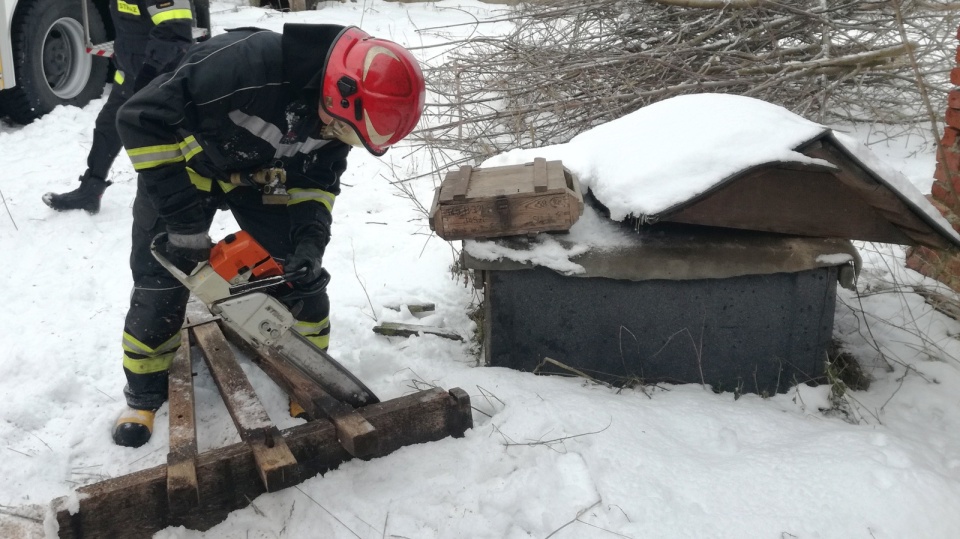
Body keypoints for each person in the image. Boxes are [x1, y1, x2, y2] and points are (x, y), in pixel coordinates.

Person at [110, 23, 426, 447]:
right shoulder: (242, 65)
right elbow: (139, 118)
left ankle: (308, 373)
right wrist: (184, 222)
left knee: (298, 276)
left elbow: (317, 183)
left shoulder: (341, 119)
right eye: (345, 130)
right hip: (181, 172)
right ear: (337, 90)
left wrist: (310, 242)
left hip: (259, 179)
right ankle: (143, 394)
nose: (340, 139)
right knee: (159, 282)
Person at [41, 0, 195, 213]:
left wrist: (150, 72)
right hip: (131, 75)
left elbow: (176, 32)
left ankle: (200, 191)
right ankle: (90, 190)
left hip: (163, 78)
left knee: (179, 136)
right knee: (108, 125)